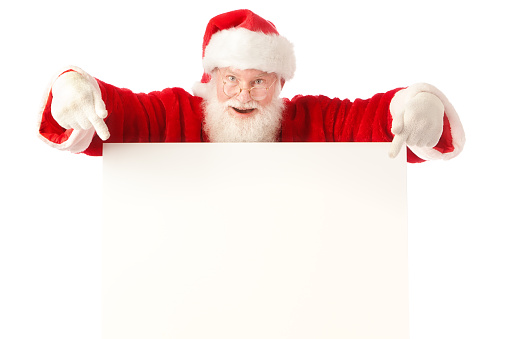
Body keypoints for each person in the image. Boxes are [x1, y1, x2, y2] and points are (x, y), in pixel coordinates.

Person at [37, 9, 465, 163]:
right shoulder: (174, 114)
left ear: (278, 83)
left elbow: (368, 120)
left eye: (258, 81)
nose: (243, 95)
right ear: (212, 79)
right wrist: (73, 91)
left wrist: (414, 108)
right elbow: (122, 114)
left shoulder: (312, 120)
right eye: (231, 81)